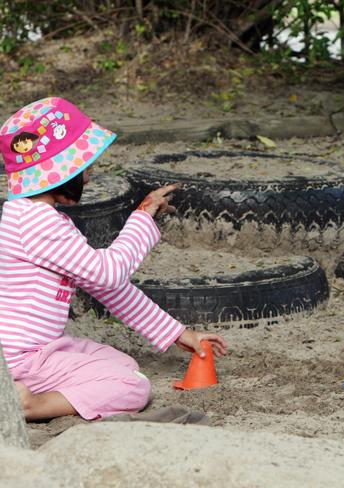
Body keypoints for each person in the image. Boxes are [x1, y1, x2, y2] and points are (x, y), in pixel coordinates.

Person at [0, 97, 227, 421]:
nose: (90, 176)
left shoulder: (29, 216)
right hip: (22, 358)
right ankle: (29, 403)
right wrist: (142, 217)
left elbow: (110, 290)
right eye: (85, 167)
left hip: (31, 351)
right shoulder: (39, 223)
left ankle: (23, 390)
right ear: (61, 170)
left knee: (122, 365)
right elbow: (109, 274)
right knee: (132, 386)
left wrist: (179, 334)